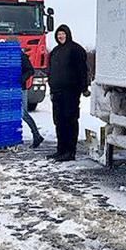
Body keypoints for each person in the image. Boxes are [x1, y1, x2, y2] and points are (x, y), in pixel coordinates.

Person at [46, 24, 89, 162]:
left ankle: (70, 152)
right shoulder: (55, 51)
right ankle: (61, 150)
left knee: (70, 121)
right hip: (57, 93)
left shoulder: (76, 49)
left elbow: (82, 70)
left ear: (68, 34)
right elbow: (51, 70)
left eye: (63, 34)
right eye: (59, 34)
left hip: (71, 92)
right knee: (59, 122)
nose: (60, 36)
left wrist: (83, 87)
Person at [20, 48, 44, 148]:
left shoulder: (22, 56)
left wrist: (21, 80)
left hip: (21, 89)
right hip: (8, 90)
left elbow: (30, 70)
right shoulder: (6, 57)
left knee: (23, 113)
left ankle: (36, 134)